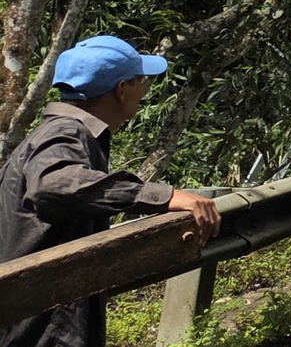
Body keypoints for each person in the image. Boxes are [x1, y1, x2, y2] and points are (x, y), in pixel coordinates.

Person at [0, 36, 221, 347]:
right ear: (121, 89)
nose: (143, 91)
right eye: (140, 81)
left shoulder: (61, 134)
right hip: (42, 331)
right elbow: (55, 186)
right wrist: (164, 196)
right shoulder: (65, 133)